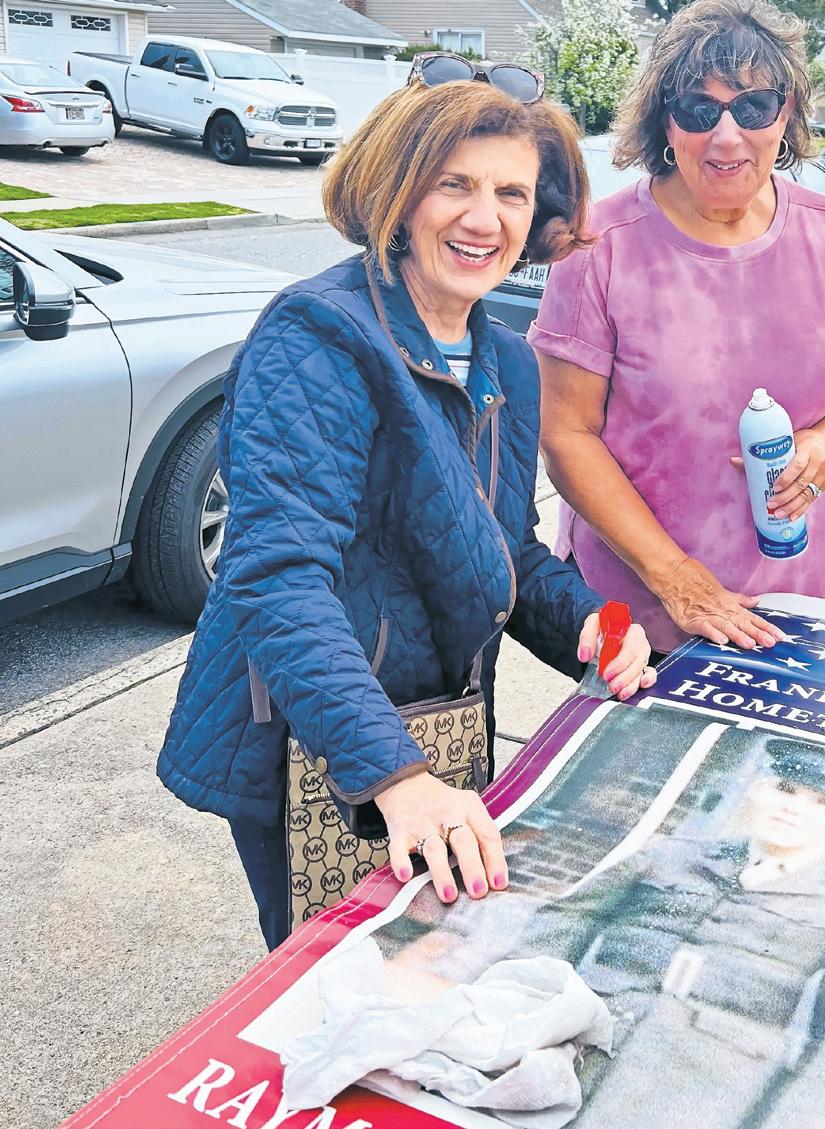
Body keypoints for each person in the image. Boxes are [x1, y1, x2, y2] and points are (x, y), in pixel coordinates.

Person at [156, 63, 655, 951]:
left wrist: (594, 623)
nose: (484, 218)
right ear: (398, 189)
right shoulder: (317, 335)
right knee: (343, 978)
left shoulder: (509, 359)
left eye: (511, 193)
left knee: (435, 966)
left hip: (437, 731)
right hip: (315, 737)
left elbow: (507, 547)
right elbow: (280, 578)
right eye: (453, 184)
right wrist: (398, 777)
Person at [529, 0, 825, 657]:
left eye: (753, 107)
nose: (727, 138)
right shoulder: (599, 247)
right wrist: (675, 577)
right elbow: (566, 435)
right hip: (638, 625)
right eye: (699, 111)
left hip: (794, 608)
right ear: (665, 120)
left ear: (786, 113)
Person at [375, 732, 825, 1127]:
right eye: (787, 789)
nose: (794, 810)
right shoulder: (673, 855)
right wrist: (508, 1018)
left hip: (706, 1090)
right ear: (758, 789)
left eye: (824, 803)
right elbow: (565, 923)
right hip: (583, 1048)